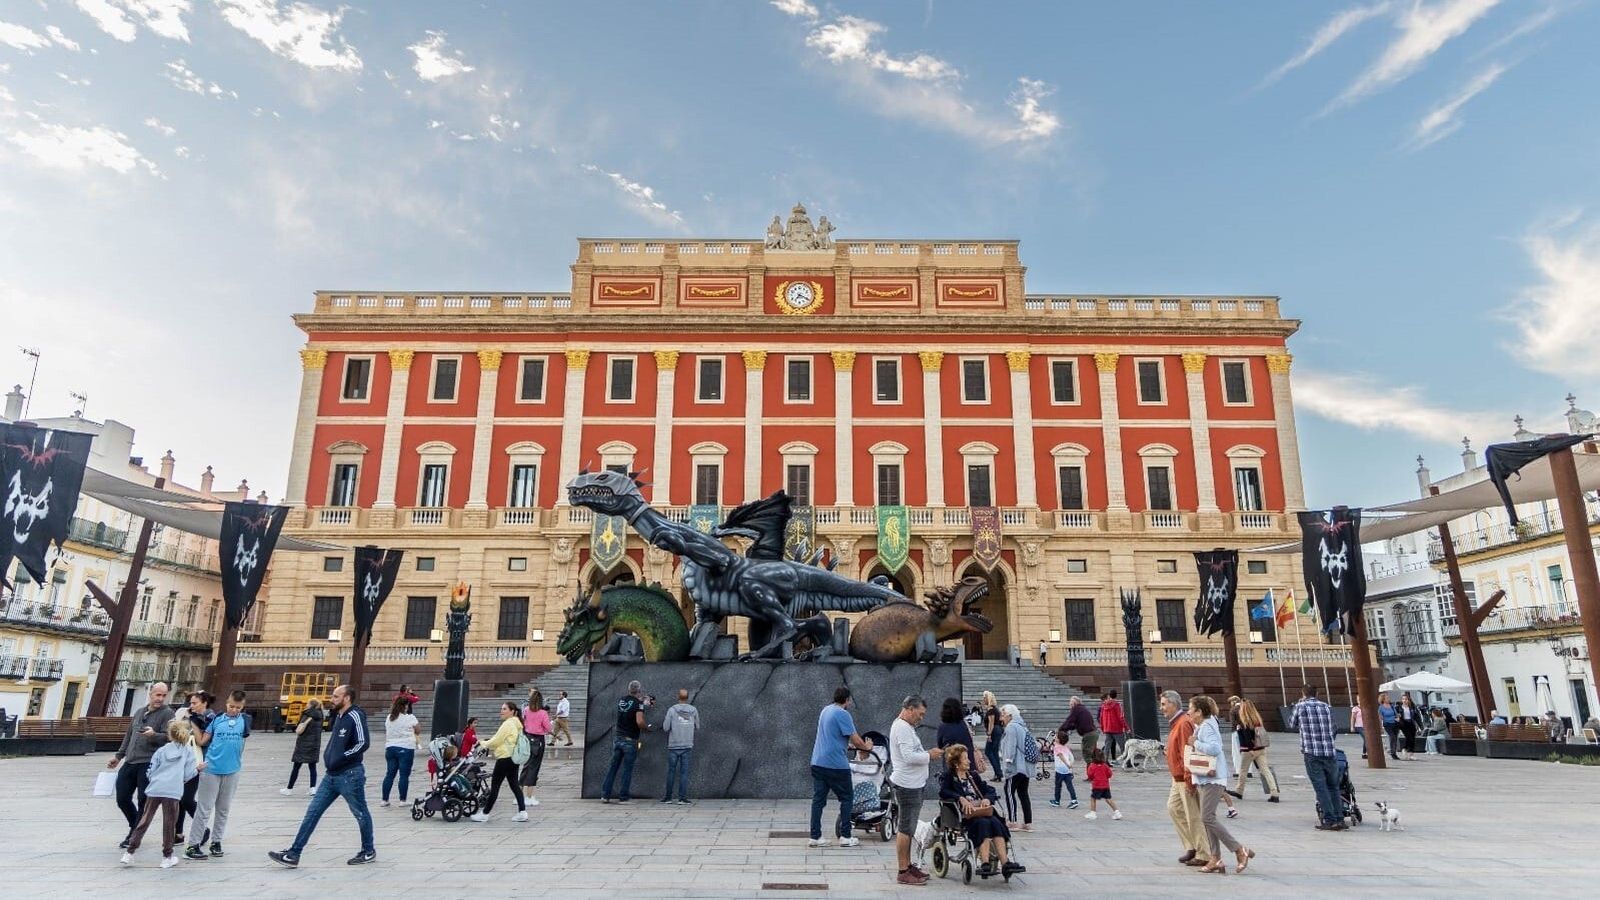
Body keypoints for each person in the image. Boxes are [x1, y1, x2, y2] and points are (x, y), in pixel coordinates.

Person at [269, 683, 376, 867]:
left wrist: (342, 757)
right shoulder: (339, 716)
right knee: (313, 812)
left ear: (347, 698)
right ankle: (294, 853)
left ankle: (368, 850)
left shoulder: (355, 715)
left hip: (349, 774)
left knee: (360, 812)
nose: (331, 699)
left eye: (336, 696)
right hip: (331, 775)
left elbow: (363, 743)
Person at [120, 719, 199, 869]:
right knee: (169, 824)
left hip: (155, 788)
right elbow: (188, 774)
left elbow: (151, 769)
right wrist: (198, 770)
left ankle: (129, 853)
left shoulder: (162, 750)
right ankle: (167, 856)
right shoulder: (188, 751)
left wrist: (154, 779)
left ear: (170, 735)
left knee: (145, 820)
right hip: (172, 791)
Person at [1189, 696, 1254, 874]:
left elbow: (1215, 748)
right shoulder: (1204, 725)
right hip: (1205, 777)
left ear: (1200, 712)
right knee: (1208, 818)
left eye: (1191, 709)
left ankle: (1239, 850)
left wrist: (1195, 742)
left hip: (1213, 777)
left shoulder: (1208, 726)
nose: (1189, 712)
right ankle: (1215, 858)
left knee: (1207, 817)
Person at [938, 744, 1021, 878]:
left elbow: (989, 790)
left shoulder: (973, 776)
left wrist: (987, 799)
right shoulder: (949, 777)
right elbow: (944, 791)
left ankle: (1005, 863)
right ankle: (985, 863)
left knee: (995, 822)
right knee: (984, 824)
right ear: (956, 763)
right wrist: (960, 798)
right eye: (965, 758)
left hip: (983, 811)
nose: (969, 761)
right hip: (967, 816)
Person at [184, 689, 249, 860]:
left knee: (224, 808)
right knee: (204, 808)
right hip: (211, 769)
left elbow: (243, 742)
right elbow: (202, 741)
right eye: (231, 706)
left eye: (238, 707)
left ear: (242, 707)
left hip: (232, 770)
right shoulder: (217, 719)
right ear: (227, 703)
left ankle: (216, 841)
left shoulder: (245, 721)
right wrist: (193, 724)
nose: (234, 710)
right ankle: (193, 844)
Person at [109, 682, 175, 848]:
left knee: (143, 800)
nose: (160, 698)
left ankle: (134, 835)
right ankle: (135, 824)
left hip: (148, 762)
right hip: (130, 761)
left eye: (163, 695)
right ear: (150, 694)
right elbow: (129, 735)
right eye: (157, 694)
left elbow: (170, 737)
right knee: (122, 797)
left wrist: (154, 735)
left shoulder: (168, 714)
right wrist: (118, 756)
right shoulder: (139, 712)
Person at [808, 686, 874, 848]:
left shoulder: (826, 710)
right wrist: (867, 747)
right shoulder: (843, 714)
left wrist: (846, 746)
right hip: (836, 765)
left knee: (818, 801)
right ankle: (845, 836)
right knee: (847, 798)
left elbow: (832, 736)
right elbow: (857, 740)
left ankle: (815, 837)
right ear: (847, 700)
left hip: (817, 762)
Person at [888, 695, 943, 886]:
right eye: (920, 714)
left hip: (912, 784)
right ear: (910, 709)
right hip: (907, 785)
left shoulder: (905, 727)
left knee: (909, 828)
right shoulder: (902, 728)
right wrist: (930, 754)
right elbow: (909, 757)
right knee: (905, 828)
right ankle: (903, 870)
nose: (921, 718)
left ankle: (908, 865)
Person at [1290, 684, 1344, 831]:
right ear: (1317, 693)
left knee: (1321, 787)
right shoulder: (1326, 706)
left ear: (1303, 693)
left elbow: (1291, 723)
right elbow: (1334, 727)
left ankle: (1330, 819)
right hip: (1329, 752)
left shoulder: (1300, 707)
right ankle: (1340, 819)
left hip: (1312, 752)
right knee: (1333, 786)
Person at [472, 701, 528, 822]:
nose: (501, 711)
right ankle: (522, 812)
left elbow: (496, 741)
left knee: (495, 786)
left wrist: (482, 743)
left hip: (504, 758)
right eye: (501, 709)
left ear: (512, 711)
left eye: (504, 709)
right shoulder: (517, 723)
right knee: (514, 785)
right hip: (513, 758)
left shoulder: (508, 724)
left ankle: (485, 813)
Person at [601, 681, 652, 804]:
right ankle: (623, 797)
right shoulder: (638, 704)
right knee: (627, 769)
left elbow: (630, 704)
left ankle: (605, 795)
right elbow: (639, 721)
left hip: (618, 738)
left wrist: (641, 700)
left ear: (629, 689)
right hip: (630, 740)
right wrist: (647, 728)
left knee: (613, 768)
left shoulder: (621, 700)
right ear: (639, 690)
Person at [174, 690, 213, 842]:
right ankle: (178, 833)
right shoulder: (190, 716)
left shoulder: (210, 717)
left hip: (199, 762)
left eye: (195, 703)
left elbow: (201, 741)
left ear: (204, 703)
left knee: (187, 798)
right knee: (179, 797)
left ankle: (202, 829)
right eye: (190, 703)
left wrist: (193, 722)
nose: (191, 706)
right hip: (185, 760)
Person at [1231, 699, 1279, 802]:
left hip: (1249, 750)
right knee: (1265, 770)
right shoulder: (1257, 719)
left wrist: (1249, 748)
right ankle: (1274, 793)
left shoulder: (1244, 720)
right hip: (1261, 748)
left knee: (1243, 770)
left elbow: (1247, 737)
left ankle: (1239, 791)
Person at [998, 704, 1033, 832]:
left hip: (1015, 766)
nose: (1001, 717)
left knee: (1009, 791)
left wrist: (1007, 764)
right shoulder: (1022, 726)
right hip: (1025, 767)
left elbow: (1010, 748)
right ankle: (1028, 823)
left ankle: (1012, 821)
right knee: (1023, 793)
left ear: (1010, 715)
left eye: (1003, 714)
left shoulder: (1011, 727)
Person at [661, 689, 699, 805]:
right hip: (687, 745)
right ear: (687, 697)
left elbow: (666, 728)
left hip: (674, 745)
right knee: (684, 772)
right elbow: (697, 726)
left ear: (678, 697)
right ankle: (682, 798)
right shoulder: (693, 710)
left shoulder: (672, 710)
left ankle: (668, 798)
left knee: (671, 772)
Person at [380, 697, 420, 807]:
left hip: (390, 748)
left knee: (389, 774)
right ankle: (402, 800)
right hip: (406, 748)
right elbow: (418, 730)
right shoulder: (410, 718)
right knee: (404, 775)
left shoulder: (389, 717)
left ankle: (384, 799)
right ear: (405, 706)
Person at [282, 698, 324, 796]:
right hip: (315, 744)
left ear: (311, 705)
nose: (306, 705)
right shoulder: (320, 715)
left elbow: (300, 728)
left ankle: (289, 789)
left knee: (296, 767)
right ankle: (312, 788)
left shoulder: (307, 714)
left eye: (308, 704)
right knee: (312, 767)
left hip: (303, 744)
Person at [936, 697, 983, 775]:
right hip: (967, 761)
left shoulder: (943, 727)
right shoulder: (964, 724)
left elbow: (940, 745)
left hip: (951, 763)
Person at [521, 690, 552, 806]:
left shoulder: (526, 710)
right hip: (538, 740)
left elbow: (524, 724)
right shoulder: (543, 713)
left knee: (526, 766)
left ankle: (519, 795)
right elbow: (548, 728)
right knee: (534, 768)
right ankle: (529, 796)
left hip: (527, 739)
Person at [1061, 695, 1099, 768]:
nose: (1070, 706)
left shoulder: (1077, 709)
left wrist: (1061, 730)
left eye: (1071, 704)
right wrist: (1066, 729)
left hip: (1089, 734)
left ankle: (1092, 773)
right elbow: (1074, 724)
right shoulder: (1081, 709)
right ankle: (1096, 772)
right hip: (1093, 733)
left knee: (1087, 754)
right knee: (1092, 754)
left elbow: (1069, 721)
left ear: (1075, 703)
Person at [1083, 748, 1121, 820]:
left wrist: (1093, 779)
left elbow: (1090, 775)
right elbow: (1110, 774)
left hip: (1097, 785)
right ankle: (1117, 812)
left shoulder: (1092, 766)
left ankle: (1093, 813)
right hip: (1106, 785)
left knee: (1093, 798)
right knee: (1108, 799)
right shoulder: (1105, 765)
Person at [1048, 727, 1078, 809]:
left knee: (1058, 785)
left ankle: (1057, 801)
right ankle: (1074, 800)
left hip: (1060, 769)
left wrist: (1066, 764)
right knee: (1069, 785)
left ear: (1059, 740)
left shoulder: (1056, 747)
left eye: (1056, 737)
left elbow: (1061, 756)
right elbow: (1071, 757)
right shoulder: (1066, 747)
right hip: (1067, 770)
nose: (1055, 737)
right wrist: (1070, 765)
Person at [1099, 689, 1128, 762]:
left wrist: (1103, 728)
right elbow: (1120, 717)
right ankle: (1127, 762)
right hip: (1117, 729)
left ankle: (1105, 761)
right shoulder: (1117, 705)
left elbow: (1101, 718)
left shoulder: (1103, 706)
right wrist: (1126, 727)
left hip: (1107, 729)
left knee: (1107, 746)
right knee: (1123, 746)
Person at [981, 691, 1004, 783]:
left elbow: (991, 722)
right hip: (997, 730)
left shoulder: (991, 709)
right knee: (994, 752)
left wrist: (989, 734)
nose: (983, 700)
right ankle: (998, 773)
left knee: (988, 751)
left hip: (994, 731)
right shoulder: (995, 709)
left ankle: (998, 772)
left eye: (984, 698)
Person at [1397, 695, 1420, 759]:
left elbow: (1417, 717)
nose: (1405, 700)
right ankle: (1404, 748)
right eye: (1403, 699)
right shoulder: (1398, 708)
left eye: (1406, 699)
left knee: (1413, 739)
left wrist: (1421, 726)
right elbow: (1396, 716)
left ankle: (1411, 754)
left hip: (1411, 723)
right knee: (1409, 737)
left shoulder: (1412, 707)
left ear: (1409, 700)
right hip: (1403, 724)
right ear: (1401, 700)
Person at [1378, 696, 1400, 760]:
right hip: (1387, 724)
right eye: (1387, 698)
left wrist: (1398, 717)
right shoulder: (1381, 707)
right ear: (1383, 699)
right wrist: (1380, 727)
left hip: (1395, 723)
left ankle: (1394, 752)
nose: (1389, 699)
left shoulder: (1392, 706)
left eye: (1388, 698)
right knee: (1392, 736)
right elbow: (1380, 717)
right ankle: (1392, 752)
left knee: (1395, 738)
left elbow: (1396, 714)